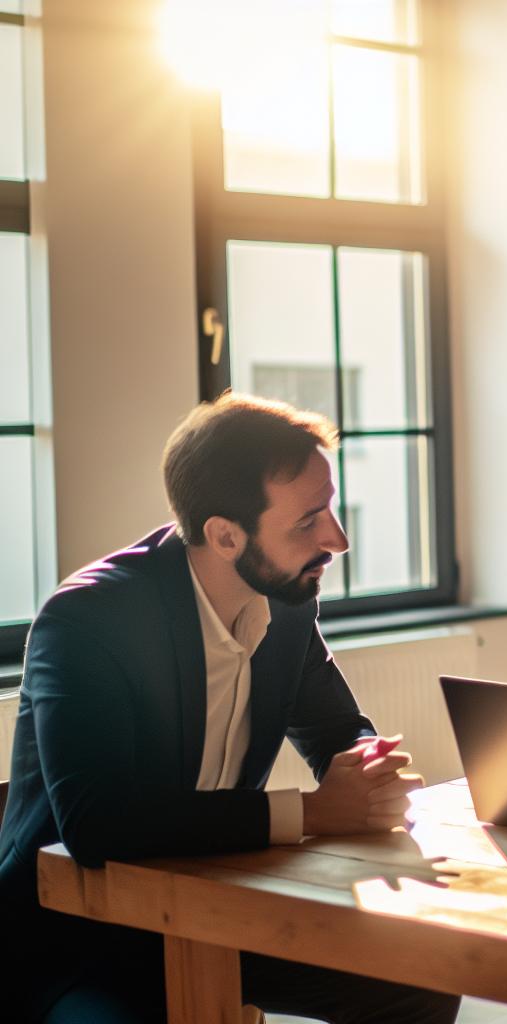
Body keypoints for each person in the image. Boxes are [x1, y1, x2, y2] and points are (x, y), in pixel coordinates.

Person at [0, 394, 458, 1023]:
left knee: (420, 974)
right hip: (81, 937)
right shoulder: (87, 622)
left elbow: (333, 726)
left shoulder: (288, 602)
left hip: (215, 907)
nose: (338, 539)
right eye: (309, 520)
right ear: (223, 535)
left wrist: (365, 768)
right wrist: (316, 813)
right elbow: (95, 824)